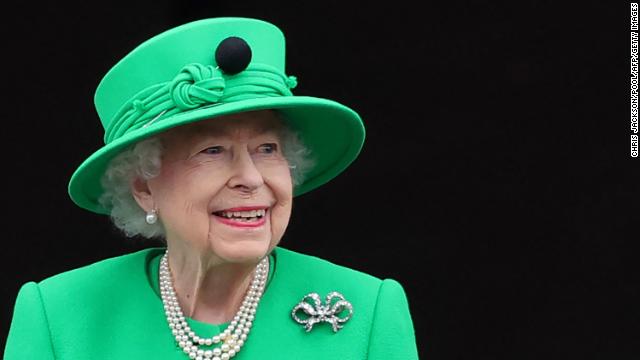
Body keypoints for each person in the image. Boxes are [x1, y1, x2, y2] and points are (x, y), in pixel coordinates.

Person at [5, 17, 419, 359]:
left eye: (267, 148)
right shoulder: (57, 316)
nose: (252, 178)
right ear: (143, 187)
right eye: (213, 150)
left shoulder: (368, 311)